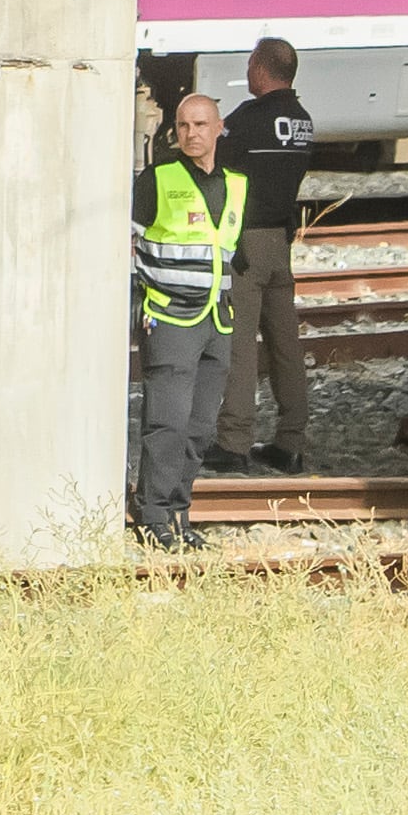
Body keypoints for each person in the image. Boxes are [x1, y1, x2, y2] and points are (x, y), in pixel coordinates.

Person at [130, 90, 248, 549]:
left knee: (200, 427)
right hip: (170, 316)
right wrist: (140, 306)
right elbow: (131, 246)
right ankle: (154, 515)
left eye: (200, 125)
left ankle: (179, 515)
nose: (191, 134)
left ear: (219, 128)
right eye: (183, 126)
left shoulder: (236, 183)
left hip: (216, 321)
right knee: (167, 422)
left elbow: (231, 252)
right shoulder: (158, 179)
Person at [208, 36, 323, 476]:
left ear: (260, 68)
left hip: (246, 243)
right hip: (281, 242)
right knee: (285, 345)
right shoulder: (302, 120)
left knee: (240, 345)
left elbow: (214, 162)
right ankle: (290, 443)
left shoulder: (250, 120)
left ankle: (234, 444)